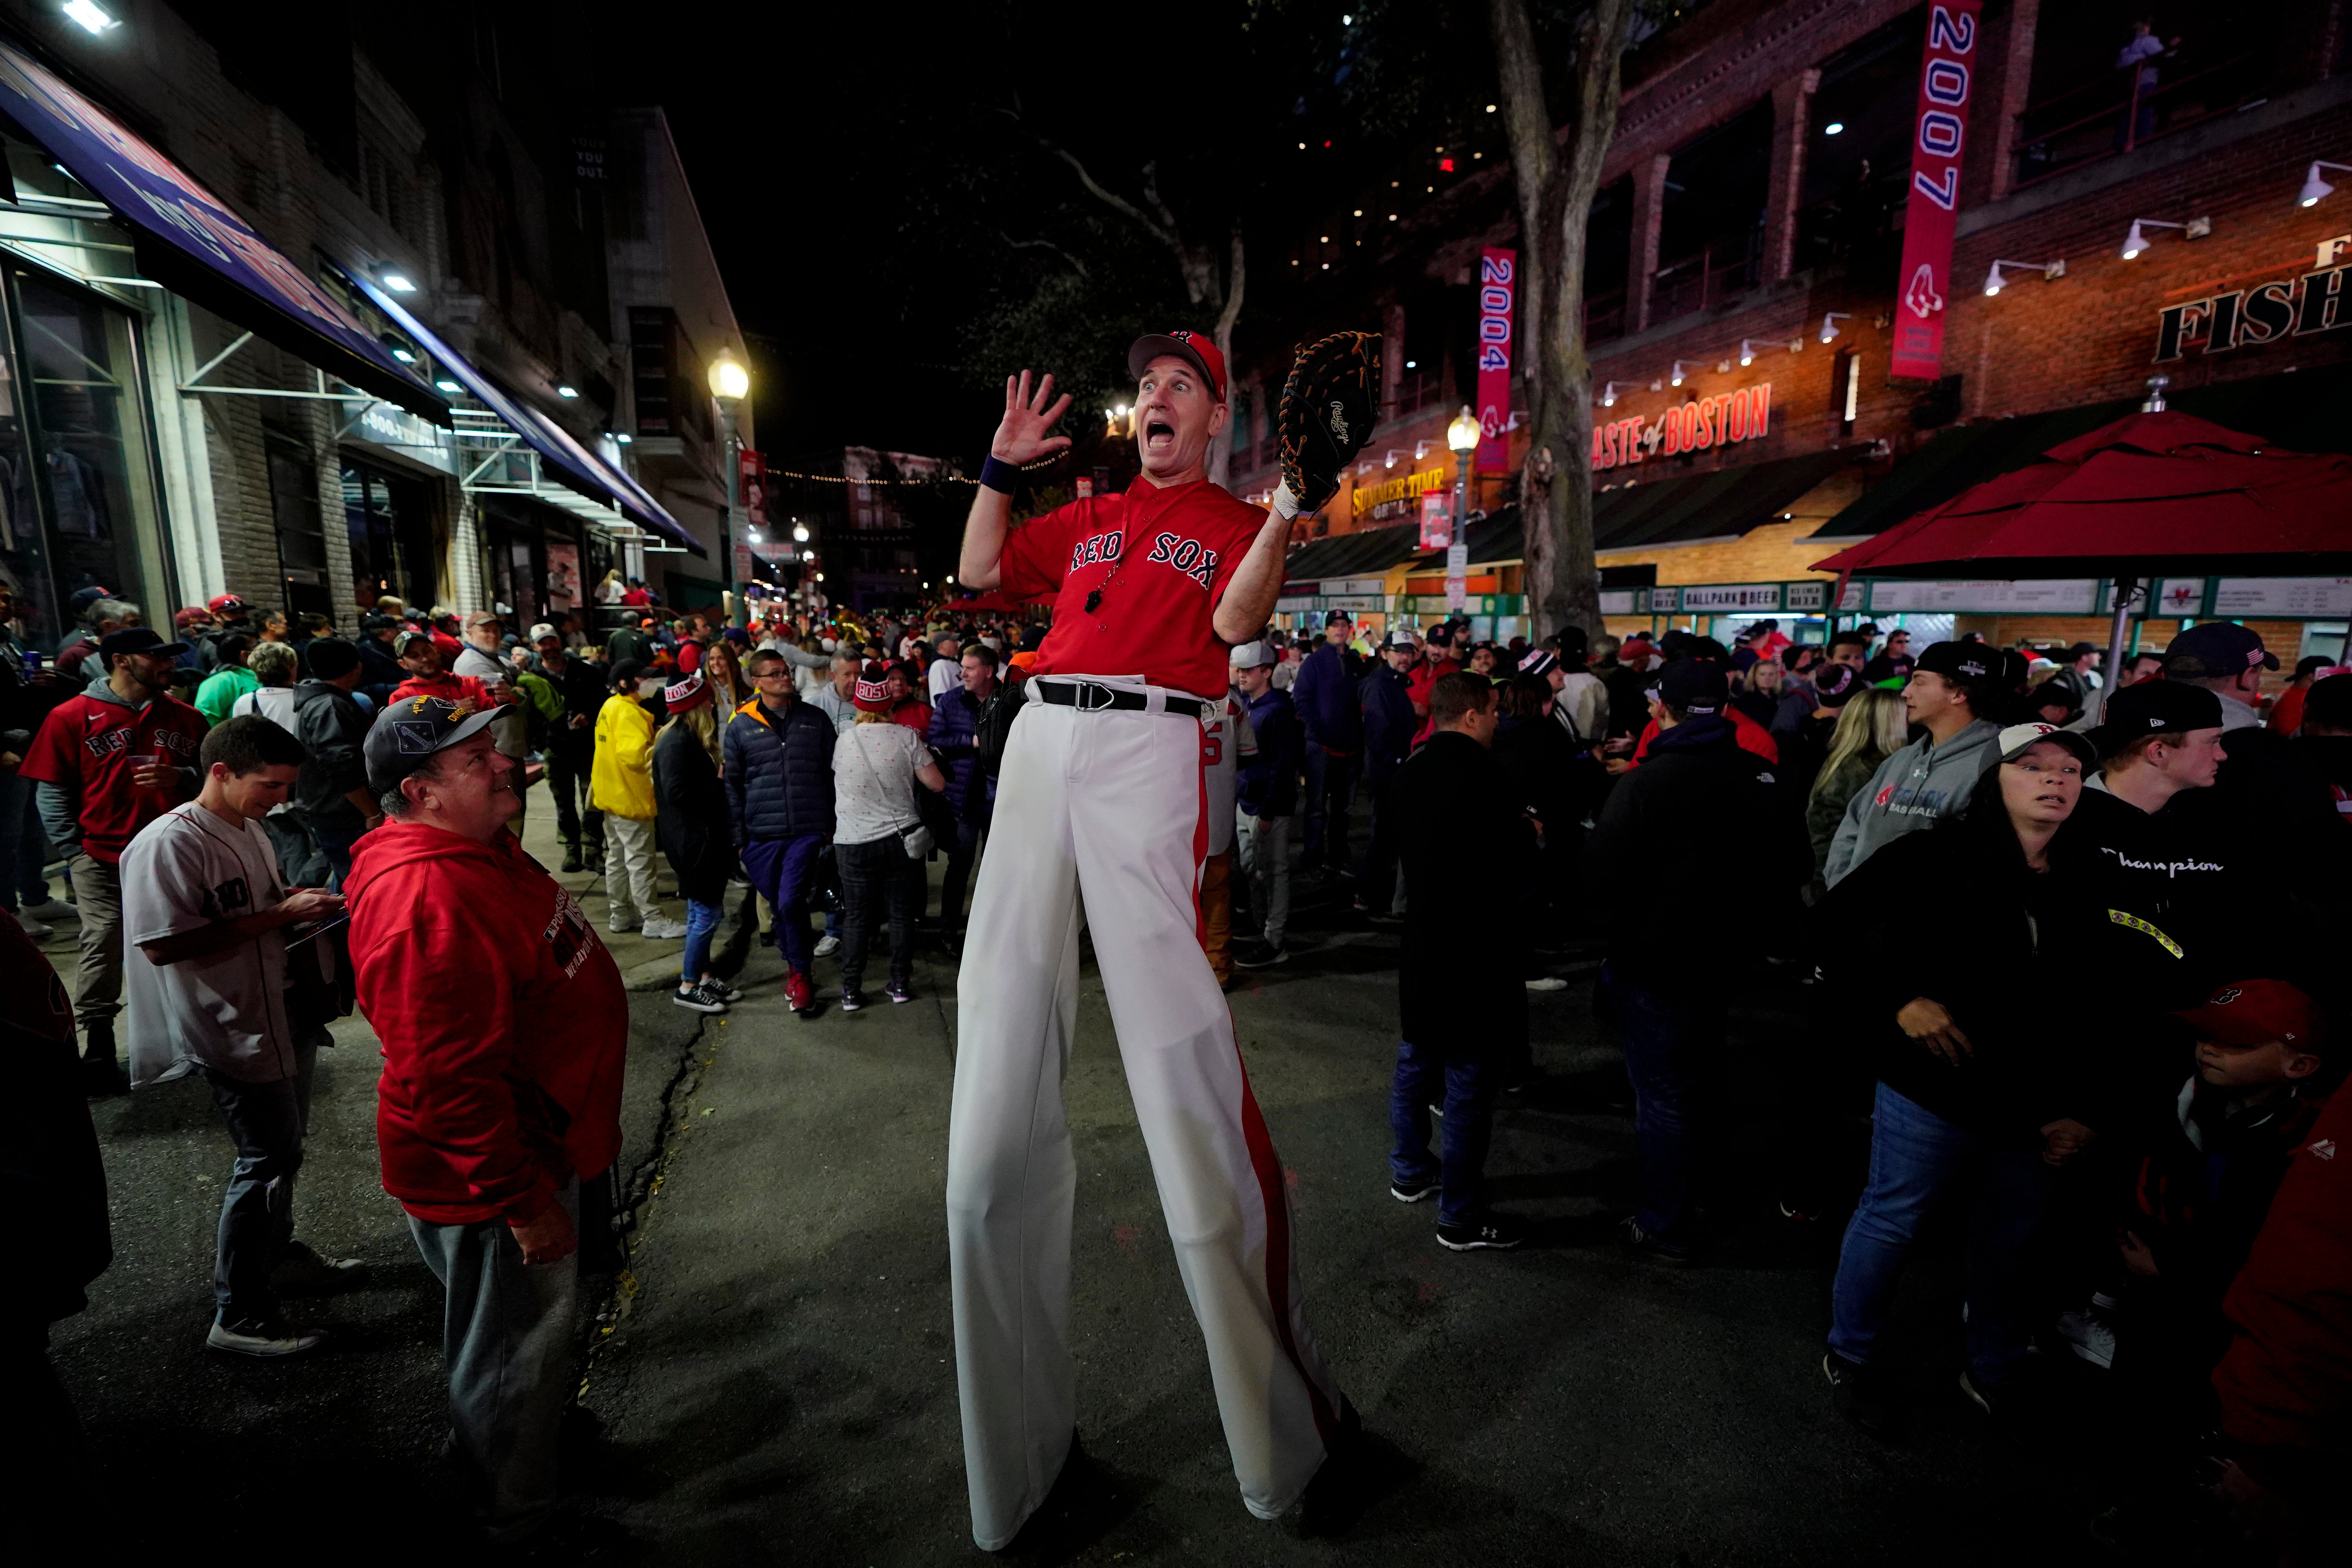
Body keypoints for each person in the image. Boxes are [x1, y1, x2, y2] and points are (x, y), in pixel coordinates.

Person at [946, 340, 1347, 1549]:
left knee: (1181, 1083)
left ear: (1219, 415)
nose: (1154, 399)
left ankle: (1285, 1440)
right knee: (981, 1141)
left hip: (1148, 745)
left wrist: (1287, 508)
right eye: (1148, 387)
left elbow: (1233, 621)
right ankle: (1009, 1470)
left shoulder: (1234, 512)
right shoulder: (1093, 513)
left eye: (1179, 386)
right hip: (1038, 743)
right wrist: (999, 470)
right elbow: (974, 571)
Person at [345, 696, 626, 1548]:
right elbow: (447, 1080)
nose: (504, 762)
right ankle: (511, 1513)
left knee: (522, 1345)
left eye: (492, 746)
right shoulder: (426, 898)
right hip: (503, 1173)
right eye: (477, 760)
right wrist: (522, 1198)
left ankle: (521, 1450)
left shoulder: (474, 849)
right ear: (421, 791)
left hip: (547, 1143)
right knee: (510, 1354)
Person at [1818, 724, 2106, 1434]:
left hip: (2039, 1101)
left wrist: (2087, 1107)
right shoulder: (1934, 854)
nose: (2054, 780)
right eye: (2032, 767)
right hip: (1934, 1087)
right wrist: (1900, 1000)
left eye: (2069, 770)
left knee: (2011, 1239)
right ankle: (1850, 1353)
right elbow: (1831, 928)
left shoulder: (2093, 874)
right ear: (1995, 780)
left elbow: (2108, 1002)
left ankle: (1996, 1368)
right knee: (1892, 1218)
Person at [120, 716, 357, 1356]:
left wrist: (303, 908)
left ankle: (277, 1260)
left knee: (286, 1150)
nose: (279, 797)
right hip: (227, 1021)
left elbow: (264, 911)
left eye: (286, 786)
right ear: (219, 772)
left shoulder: (252, 829)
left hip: (282, 1008)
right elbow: (163, 945)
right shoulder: (168, 842)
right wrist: (280, 914)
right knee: (264, 1161)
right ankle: (238, 1313)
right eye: (269, 784)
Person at [1589, 660, 1801, 1264]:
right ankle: (1708, 1192)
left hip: (1656, 962)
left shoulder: (1649, 781)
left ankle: (1666, 1221)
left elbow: (1601, 877)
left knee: (1664, 1095)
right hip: (1727, 960)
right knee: (1704, 1077)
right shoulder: (1763, 775)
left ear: (1664, 709)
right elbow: (1794, 869)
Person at [21, 626, 207, 1093]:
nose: (168, 664)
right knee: (103, 938)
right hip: (100, 851)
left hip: (170, 851)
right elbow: (52, 791)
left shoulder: (185, 716)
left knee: (185, 934)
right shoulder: (72, 716)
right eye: (157, 657)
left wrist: (180, 776)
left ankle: (197, 1033)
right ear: (122, 660)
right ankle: (99, 1040)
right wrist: (73, 849)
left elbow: (212, 778)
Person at [1390, 672, 1532, 1249]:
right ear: (1471, 715)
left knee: (1416, 1060)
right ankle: (1461, 1214)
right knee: (1469, 1084)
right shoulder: (1489, 778)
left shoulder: (1410, 771)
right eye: (1493, 710)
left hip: (1423, 943)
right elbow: (1510, 866)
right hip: (1476, 950)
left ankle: (1409, 1169)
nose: (1498, 719)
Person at [1822, 641, 2005, 886]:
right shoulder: (1902, 759)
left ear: (1959, 694)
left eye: (1919, 682)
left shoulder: (1997, 765)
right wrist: (1843, 888)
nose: (1906, 693)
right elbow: (1853, 823)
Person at [724, 647, 836, 1015]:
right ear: (756, 682)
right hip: (761, 837)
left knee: (790, 902)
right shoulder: (740, 725)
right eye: (775, 674)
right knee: (780, 907)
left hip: (806, 830)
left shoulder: (815, 720)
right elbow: (734, 785)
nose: (785, 677)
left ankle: (802, 975)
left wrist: (829, 826)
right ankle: (795, 967)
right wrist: (740, 841)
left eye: (786, 671)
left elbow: (832, 775)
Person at [832, 662, 947, 1010]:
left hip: (852, 842)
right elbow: (937, 784)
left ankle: (851, 990)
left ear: (860, 706)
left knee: (856, 917)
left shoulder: (842, 741)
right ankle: (899, 985)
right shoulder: (906, 737)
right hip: (901, 842)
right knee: (900, 917)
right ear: (887, 705)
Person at [652, 673, 740, 1014]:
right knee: (706, 915)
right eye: (706, 699)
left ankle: (703, 978)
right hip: (693, 846)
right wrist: (717, 784)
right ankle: (688, 985)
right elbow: (677, 793)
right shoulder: (677, 741)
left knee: (700, 913)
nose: (712, 703)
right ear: (694, 705)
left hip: (699, 841)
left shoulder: (687, 737)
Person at [591, 660, 685, 940]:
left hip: (610, 795)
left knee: (617, 859)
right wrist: (658, 745)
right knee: (640, 862)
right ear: (625, 682)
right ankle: (652, 918)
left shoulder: (611, 707)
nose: (650, 683)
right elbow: (634, 757)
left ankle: (621, 914)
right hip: (630, 798)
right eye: (643, 678)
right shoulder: (631, 714)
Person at [277, 638, 377, 889]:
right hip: (342, 812)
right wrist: (371, 812)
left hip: (332, 810)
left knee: (346, 874)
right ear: (355, 668)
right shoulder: (329, 705)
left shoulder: (323, 700)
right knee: (360, 882)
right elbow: (340, 765)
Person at [1232, 639, 1299, 968]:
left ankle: (1274, 940)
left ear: (1267, 672)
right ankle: (1262, 928)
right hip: (1248, 801)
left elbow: (1283, 766)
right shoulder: (1250, 704)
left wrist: (1270, 810)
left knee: (1273, 873)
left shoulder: (1276, 710)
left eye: (1249, 670)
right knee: (1252, 868)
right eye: (1240, 669)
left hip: (1265, 805)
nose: (1241, 675)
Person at [1802, 682, 1905, 896]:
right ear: (1888, 723)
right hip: (1841, 883)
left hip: (1829, 879)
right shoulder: (1865, 768)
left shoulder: (1845, 760)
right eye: (1905, 715)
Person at [926, 642, 1001, 934]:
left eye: (969, 668)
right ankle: (949, 930)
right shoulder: (950, 701)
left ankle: (993, 931)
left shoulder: (1010, 701)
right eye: (962, 668)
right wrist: (970, 742)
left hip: (1003, 797)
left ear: (989, 671)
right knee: (960, 865)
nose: (963, 674)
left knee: (1000, 866)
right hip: (965, 800)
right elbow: (935, 741)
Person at [1289, 610, 1362, 880]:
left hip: (1350, 748)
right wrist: (1317, 731)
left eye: (1344, 625)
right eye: (1335, 625)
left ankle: (1337, 857)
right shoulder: (1315, 663)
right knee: (1317, 808)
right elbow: (1302, 700)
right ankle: (1312, 859)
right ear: (1328, 630)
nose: (1340, 629)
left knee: (1343, 809)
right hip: (1320, 748)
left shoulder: (1356, 663)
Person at [530, 625, 608, 873]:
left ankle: (593, 851)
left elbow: (604, 703)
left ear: (560, 642)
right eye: (543, 643)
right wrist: (544, 741)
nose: (549, 646)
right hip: (556, 751)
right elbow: (528, 717)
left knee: (591, 801)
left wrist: (589, 717)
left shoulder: (586, 671)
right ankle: (571, 850)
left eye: (552, 640)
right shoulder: (531, 678)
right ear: (535, 647)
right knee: (563, 804)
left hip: (587, 748)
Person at [1354, 629, 1418, 921]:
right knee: (1383, 837)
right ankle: (1369, 897)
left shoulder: (1393, 683)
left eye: (1409, 652)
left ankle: (1371, 896)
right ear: (1385, 653)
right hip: (1387, 772)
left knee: (1386, 836)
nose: (1405, 657)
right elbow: (1378, 733)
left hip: (1392, 769)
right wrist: (1398, 761)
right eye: (1399, 652)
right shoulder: (1380, 685)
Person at [1407, 621, 1460, 744]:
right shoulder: (1412, 670)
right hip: (1405, 738)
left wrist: (1427, 713)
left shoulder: (1455, 676)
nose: (1437, 651)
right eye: (1434, 645)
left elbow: (1455, 716)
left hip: (1433, 742)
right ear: (1426, 645)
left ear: (1450, 647)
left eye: (1443, 646)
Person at [193, 633, 259, 726]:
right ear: (245, 655)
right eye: (255, 649)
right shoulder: (220, 681)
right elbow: (206, 720)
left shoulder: (258, 677)